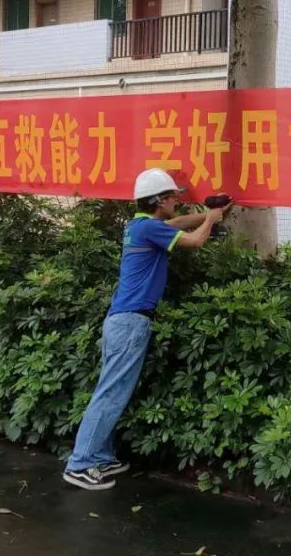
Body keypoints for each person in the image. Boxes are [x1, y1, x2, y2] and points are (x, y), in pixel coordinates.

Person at [63, 168, 228, 490]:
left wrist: (211, 214)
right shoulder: (148, 228)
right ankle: (80, 463)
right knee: (111, 393)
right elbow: (195, 240)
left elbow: (178, 223)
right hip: (130, 322)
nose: (176, 202)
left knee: (112, 390)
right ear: (160, 201)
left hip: (122, 320)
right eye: (172, 197)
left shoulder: (139, 226)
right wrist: (209, 220)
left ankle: (100, 456)